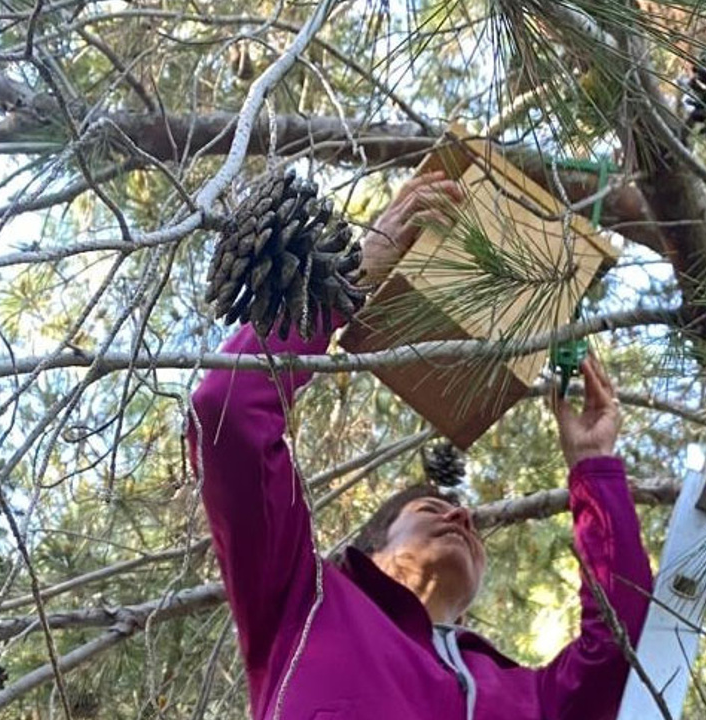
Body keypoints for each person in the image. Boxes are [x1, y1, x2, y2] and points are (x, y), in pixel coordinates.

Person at [187, 172, 653, 720]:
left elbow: (624, 642)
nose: (461, 513)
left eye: (459, 513)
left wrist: (594, 469)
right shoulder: (303, 603)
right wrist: (348, 281)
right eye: (432, 508)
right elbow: (230, 411)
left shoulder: (527, 698)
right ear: (367, 548)